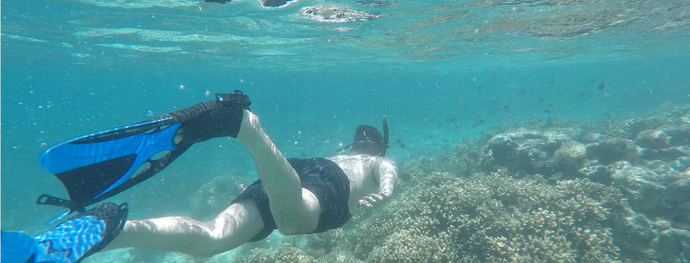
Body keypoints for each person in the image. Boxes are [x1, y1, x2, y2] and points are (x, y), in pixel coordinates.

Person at [1, 91, 399, 262]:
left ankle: (105, 231)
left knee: (211, 240)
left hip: (292, 171)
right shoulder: (374, 161)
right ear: (378, 147)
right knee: (293, 222)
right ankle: (247, 127)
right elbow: (389, 174)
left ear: (352, 143)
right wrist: (384, 193)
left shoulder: (343, 153)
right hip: (322, 185)